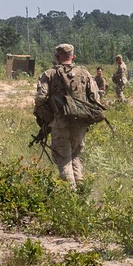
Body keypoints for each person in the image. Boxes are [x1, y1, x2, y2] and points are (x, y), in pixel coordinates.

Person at [33, 43, 102, 189]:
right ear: (73, 57)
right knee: (75, 156)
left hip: (60, 123)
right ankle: (81, 189)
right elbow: (95, 98)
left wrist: (49, 118)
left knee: (64, 159)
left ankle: (70, 195)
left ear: (57, 57)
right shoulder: (85, 73)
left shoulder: (49, 74)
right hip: (80, 123)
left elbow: (40, 98)